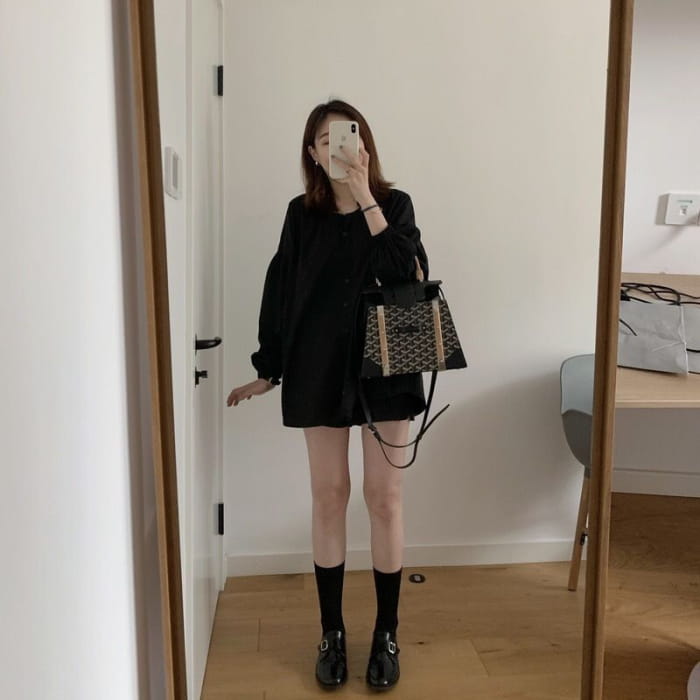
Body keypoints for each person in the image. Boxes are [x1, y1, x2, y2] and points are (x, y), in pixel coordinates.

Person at [226, 99, 429, 691]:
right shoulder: (301, 214)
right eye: (324, 140)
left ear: (363, 143)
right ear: (313, 155)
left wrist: (365, 196)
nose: (338, 146)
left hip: (388, 368)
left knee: (384, 498)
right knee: (328, 496)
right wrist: (269, 367)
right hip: (318, 367)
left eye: (347, 135)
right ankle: (332, 633)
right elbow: (281, 288)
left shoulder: (394, 205)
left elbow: (406, 271)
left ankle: (386, 632)